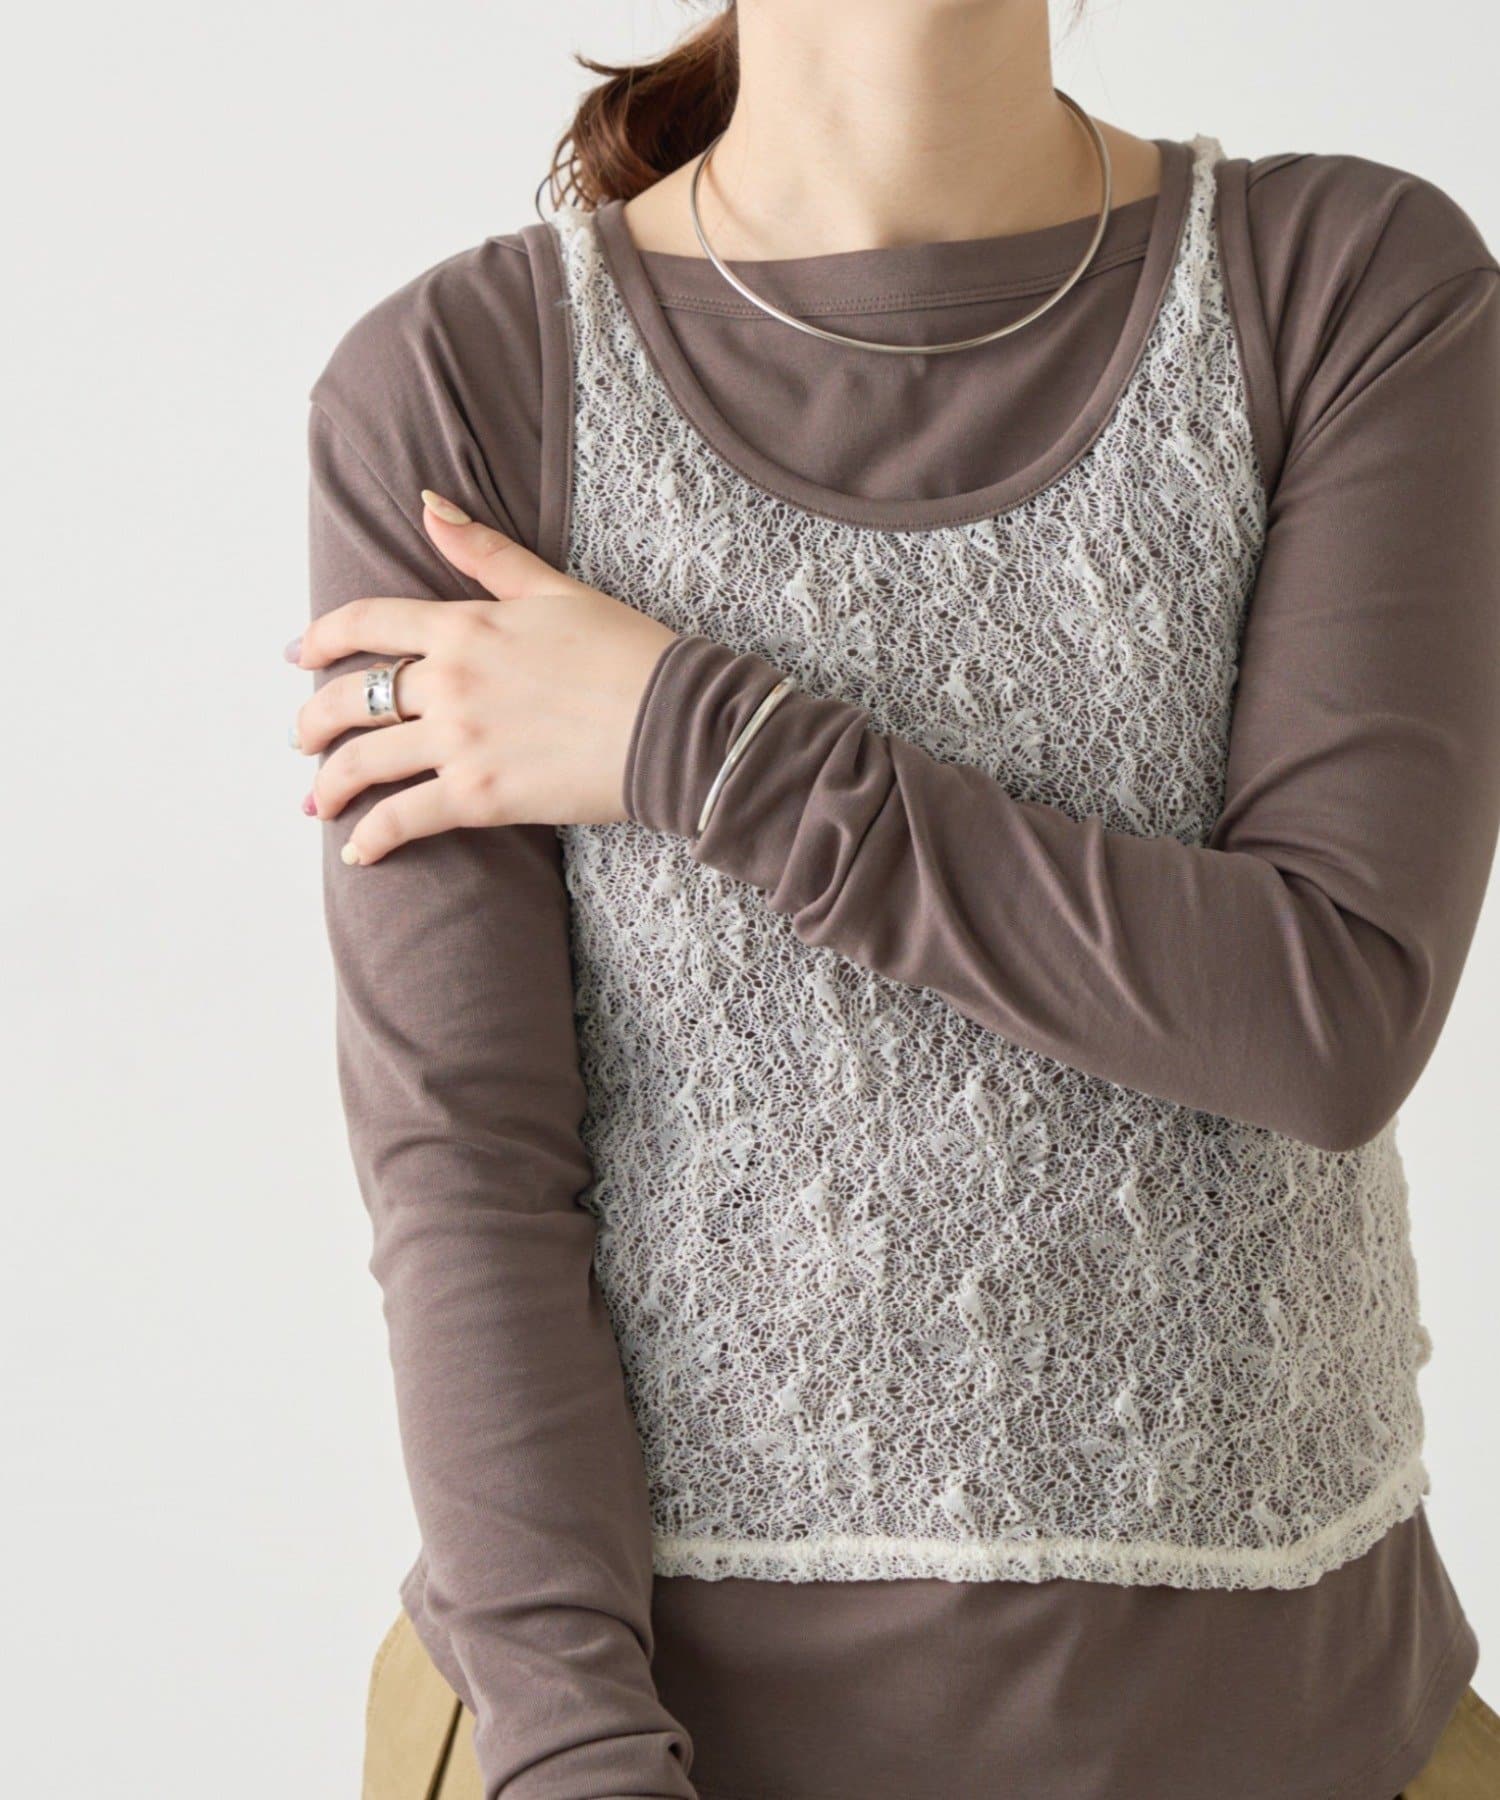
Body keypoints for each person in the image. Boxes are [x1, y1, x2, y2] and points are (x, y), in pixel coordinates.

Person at [293, 3, 1500, 1796]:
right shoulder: (466, 379)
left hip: (1308, 1742)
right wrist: (579, 1763)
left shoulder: (1345, 281)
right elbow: (466, 1166)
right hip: (635, 1743)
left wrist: (689, 740)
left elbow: (1327, 1015)